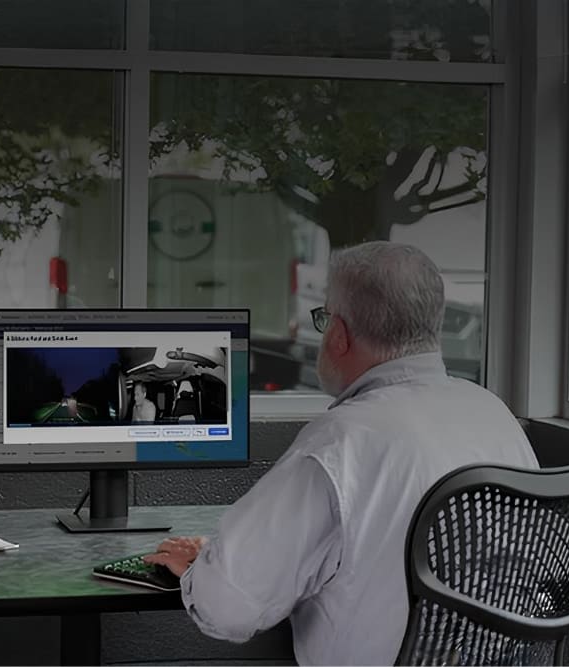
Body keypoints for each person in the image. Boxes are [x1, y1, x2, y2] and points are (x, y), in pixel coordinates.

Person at [144, 241, 539, 666]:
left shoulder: (340, 442)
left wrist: (200, 570)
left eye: (324, 317)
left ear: (339, 334)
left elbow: (230, 608)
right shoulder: (494, 413)